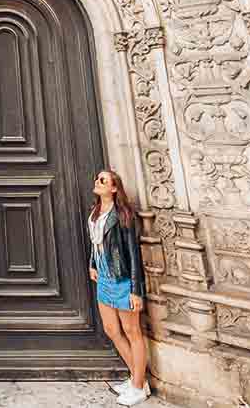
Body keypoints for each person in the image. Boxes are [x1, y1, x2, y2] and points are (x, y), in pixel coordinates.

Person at [89, 169, 150, 406]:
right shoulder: (95, 212)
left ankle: (138, 386)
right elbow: (96, 242)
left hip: (122, 278)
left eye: (103, 180)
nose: (97, 181)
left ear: (114, 188)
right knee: (112, 330)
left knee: (133, 332)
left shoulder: (123, 214)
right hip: (103, 276)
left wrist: (136, 289)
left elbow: (133, 254)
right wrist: (92, 263)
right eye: (97, 178)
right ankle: (138, 378)